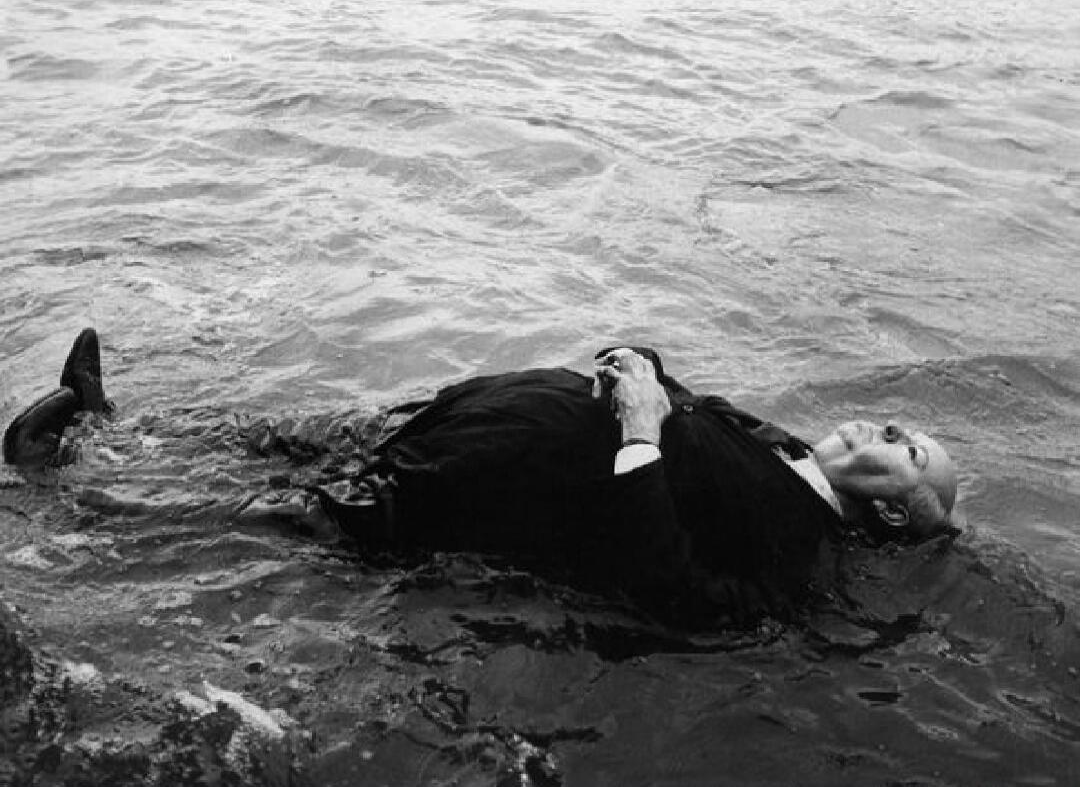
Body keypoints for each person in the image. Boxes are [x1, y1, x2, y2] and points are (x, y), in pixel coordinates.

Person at [3, 330, 958, 629]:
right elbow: (685, 396)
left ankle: (62, 490)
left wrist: (638, 435)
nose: (886, 424)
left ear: (890, 507)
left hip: (496, 485)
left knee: (294, 512)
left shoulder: (797, 548)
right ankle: (109, 419)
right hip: (473, 415)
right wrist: (642, 358)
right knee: (281, 440)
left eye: (907, 447)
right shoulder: (780, 443)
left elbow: (682, 594)